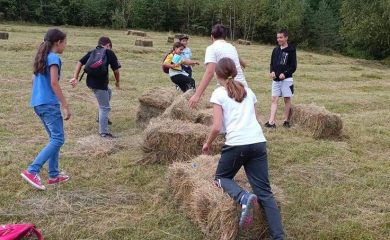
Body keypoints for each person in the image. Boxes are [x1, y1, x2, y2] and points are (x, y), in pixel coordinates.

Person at [202, 58, 284, 239]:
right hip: (258, 142)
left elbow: (216, 126)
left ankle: (243, 197)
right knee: (265, 193)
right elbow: (256, 119)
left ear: (217, 73)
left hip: (237, 144)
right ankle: (279, 237)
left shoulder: (218, 93)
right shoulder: (248, 91)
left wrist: (207, 143)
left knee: (221, 178)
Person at [21, 28, 70, 191]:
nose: (66, 46)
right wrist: (65, 105)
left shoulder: (41, 57)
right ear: (58, 42)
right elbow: (54, 83)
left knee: (54, 140)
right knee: (58, 139)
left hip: (38, 104)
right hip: (49, 104)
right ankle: (32, 170)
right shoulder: (54, 58)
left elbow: (33, 79)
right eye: (65, 42)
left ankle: (54, 175)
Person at [70, 37, 121, 138]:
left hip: (91, 83)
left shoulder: (93, 52)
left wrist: (75, 77)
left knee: (109, 92)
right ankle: (104, 133)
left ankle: (100, 118)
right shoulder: (109, 52)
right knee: (105, 107)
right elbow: (116, 71)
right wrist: (117, 82)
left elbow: (79, 62)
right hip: (100, 84)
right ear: (108, 45)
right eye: (110, 47)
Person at [189, 24, 247, 108]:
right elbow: (242, 63)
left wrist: (197, 95)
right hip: (242, 87)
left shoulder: (212, 48)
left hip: (229, 90)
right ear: (225, 38)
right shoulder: (231, 47)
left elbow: (210, 72)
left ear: (211, 37)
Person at [265, 29, 297, 129]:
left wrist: (285, 73)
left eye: (281, 37)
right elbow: (271, 64)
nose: (278, 39)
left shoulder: (291, 50)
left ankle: (286, 121)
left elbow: (293, 66)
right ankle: (271, 122)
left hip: (287, 80)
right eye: (278, 37)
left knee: (287, 99)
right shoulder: (275, 50)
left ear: (286, 38)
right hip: (276, 80)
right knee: (274, 99)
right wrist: (272, 72)